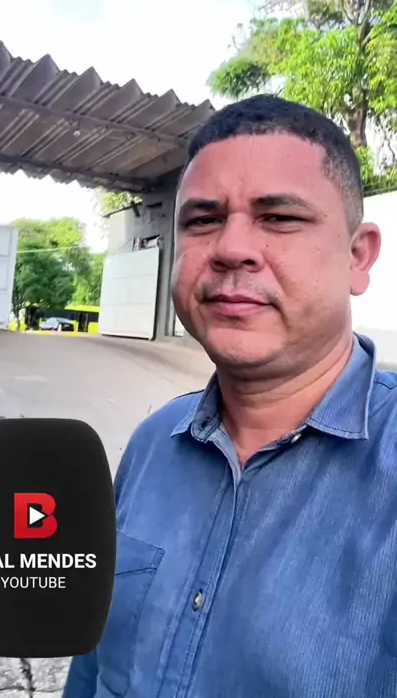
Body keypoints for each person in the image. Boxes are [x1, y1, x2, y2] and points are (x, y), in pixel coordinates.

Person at [63, 95, 397, 698]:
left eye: (279, 217)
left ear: (357, 255)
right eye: (202, 220)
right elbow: (91, 666)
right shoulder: (152, 444)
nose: (229, 248)